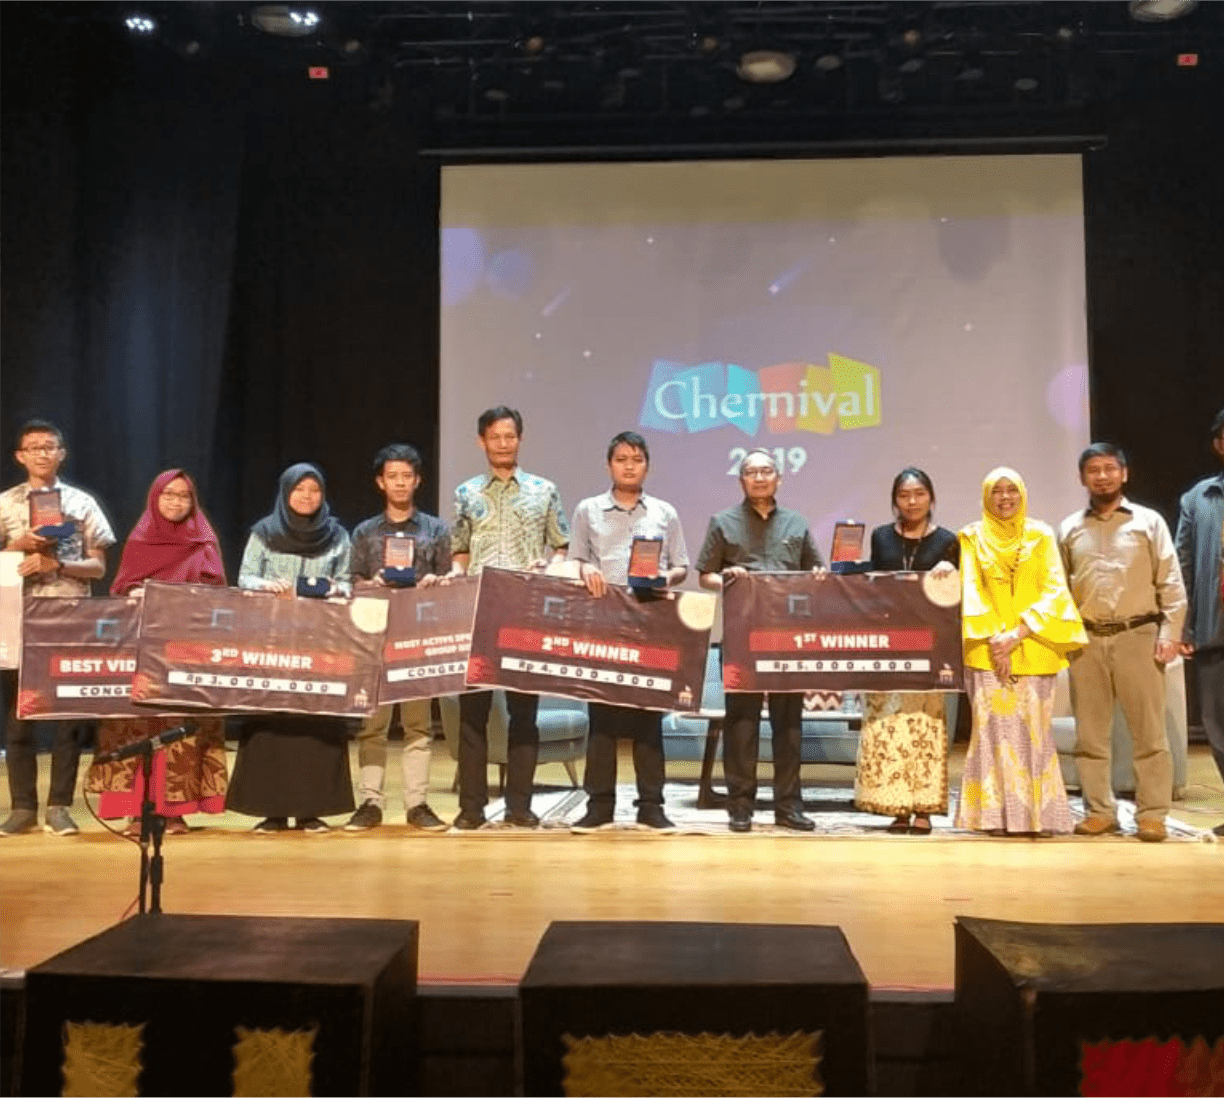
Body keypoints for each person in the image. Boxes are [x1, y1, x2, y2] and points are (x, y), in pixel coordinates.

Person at [87, 470, 230, 835]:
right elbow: (121, 588)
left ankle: (175, 810)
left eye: (183, 496)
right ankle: (137, 811)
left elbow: (217, 593)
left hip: (187, 648)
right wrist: (134, 593)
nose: (176, 502)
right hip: (143, 650)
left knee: (181, 725)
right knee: (139, 724)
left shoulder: (203, 541)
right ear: (155, 498)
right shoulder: (140, 540)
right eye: (168, 495)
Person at [446, 406, 569, 830]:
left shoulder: (544, 490)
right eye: (495, 437)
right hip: (477, 613)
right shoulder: (466, 492)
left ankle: (520, 805)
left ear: (520, 439)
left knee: (524, 714)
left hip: (525, 615)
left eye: (510, 436)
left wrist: (549, 566)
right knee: (472, 715)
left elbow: (561, 546)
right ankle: (471, 808)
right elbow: (460, 551)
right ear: (481, 441)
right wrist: (456, 575)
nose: (503, 443)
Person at [1058, 444, 1186, 843]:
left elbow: (1171, 582)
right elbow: (1059, 591)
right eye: (1093, 470)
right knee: (1090, 736)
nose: (1102, 476)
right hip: (1086, 641)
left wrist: (1170, 634)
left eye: (1110, 468)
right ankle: (1099, 811)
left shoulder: (1149, 522)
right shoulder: (1069, 528)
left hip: (1138, 636)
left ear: (1124, 474)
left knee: (1149, 734)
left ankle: (1152, 815)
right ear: (1082, 478)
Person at [567, 431, 689, 832]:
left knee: (648, 717)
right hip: (602, 621)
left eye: (636, 459)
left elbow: (682, 565)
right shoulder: (588, 509)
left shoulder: (664, 512)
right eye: (621, 459)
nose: (629, 466)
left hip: (649, 620)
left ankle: (651, 805)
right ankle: (599, 805)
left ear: (647, 466)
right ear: (609, 465)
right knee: (601, 716)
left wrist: (665, 577)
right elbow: (575, 559)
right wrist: (585, 567)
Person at [697, 448, 823, 833]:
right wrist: (727, 579)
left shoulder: (797, 523)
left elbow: (815, 572)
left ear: (779, 478)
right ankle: (740, 806)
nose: (759, 477)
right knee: (741, 724)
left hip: (788, 638)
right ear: (741, 480)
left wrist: (819, 576)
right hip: (742, 637)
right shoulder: (723, 522)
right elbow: (705, 575)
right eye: (751, 472)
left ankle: (789, 806)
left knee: (789, 725)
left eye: (766, 471)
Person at [956, 467, 1087, 836]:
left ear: (1022, 494)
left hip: (1035, 645)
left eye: (1011, 490)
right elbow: (971, 590)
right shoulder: (971, 536)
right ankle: (992, 818)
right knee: (993, 736)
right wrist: (997, 642)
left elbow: (1055, 589)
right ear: (986, 496)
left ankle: (1038, 818)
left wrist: (1018, 633)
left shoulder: (1041, 535)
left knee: (1033, 736)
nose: (1005, 498)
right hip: (986, 651)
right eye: (996, 491)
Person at [0, 419, 115, 837]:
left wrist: (57, 563)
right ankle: (23, 807)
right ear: (20, 456)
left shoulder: (81, 504)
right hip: (18, 618)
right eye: (34, 447)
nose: (42, 453)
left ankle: (60, 807)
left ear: (61, 453)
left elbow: (99, 566)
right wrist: (18, 547)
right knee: (19, 715)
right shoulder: (5, 503)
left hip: (69, 620)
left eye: (49, 446)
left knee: (69, 717)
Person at [226, 463, 355, 833]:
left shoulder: (337, 535)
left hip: (320, 642)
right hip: (272, 641)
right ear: (285, 493)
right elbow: (245, 577)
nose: (307, 496)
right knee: (274, 722)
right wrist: (266, 586)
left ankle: (313, 810)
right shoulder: (264, 532)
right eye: (299, 490)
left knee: (315, 722)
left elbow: (348, 582)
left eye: (314, 490)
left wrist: (334, 588)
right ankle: (272, 811)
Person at [345, 444, 451, 833]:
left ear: (418, 480)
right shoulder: (364, 532)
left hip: (418, 638)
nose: (400, 483)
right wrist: (370, 583)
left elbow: (449, 580)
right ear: (380, 482)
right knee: (372, 725)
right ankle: (370, 802)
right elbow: (351, 580)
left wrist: (435, 582)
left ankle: (417, 804)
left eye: (407, 476)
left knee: (418, 725)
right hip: (374, 637)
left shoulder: (436, 530)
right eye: (393, 476)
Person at [855, 467, 960, 835]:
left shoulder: (949, 541)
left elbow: (955, 596)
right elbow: (874, 584)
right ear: (894, 500)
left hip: (929, 648)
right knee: (888, 725)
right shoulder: (881, 536)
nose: (912, 502)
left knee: (924, 727)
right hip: (887, 644)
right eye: (904, 495)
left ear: (931, 497)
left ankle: (923, 809)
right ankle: (895, 806)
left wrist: (952, 570)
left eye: (919, 494)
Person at [1175, 410, 1224, 837]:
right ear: (1218, 444)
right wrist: (1183, 627)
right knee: (1217, 725)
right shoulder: (1198, 498)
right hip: (1214, 628)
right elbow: (1183, 566)